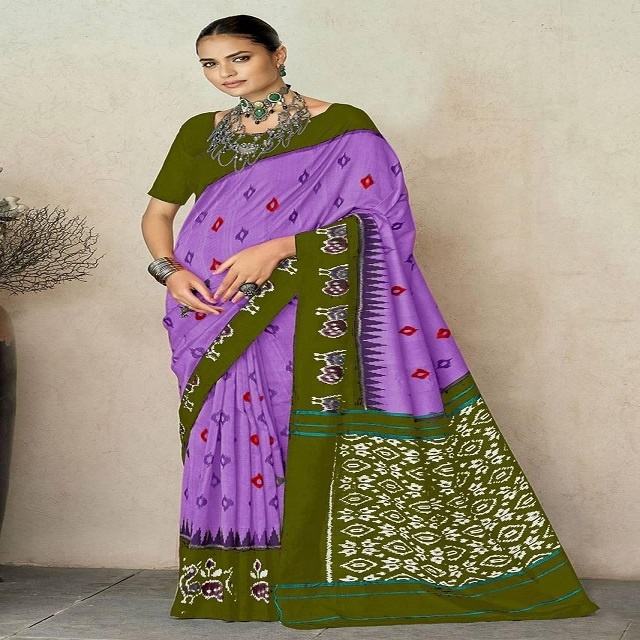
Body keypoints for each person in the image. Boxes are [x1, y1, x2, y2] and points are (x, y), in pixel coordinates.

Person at [141, 13, 599, 630]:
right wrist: (169, 271)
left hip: (302, 302)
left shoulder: (344, 127)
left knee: (288, 426)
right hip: (210, 304)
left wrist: (282, 247)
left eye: (239, 58)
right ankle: (236, 585)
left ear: (278, 54)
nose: (224, 74)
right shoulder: (200, 131)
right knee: (222, 431)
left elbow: (384, 221)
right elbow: (158, 214)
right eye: (210, 64)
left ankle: (303, 574)